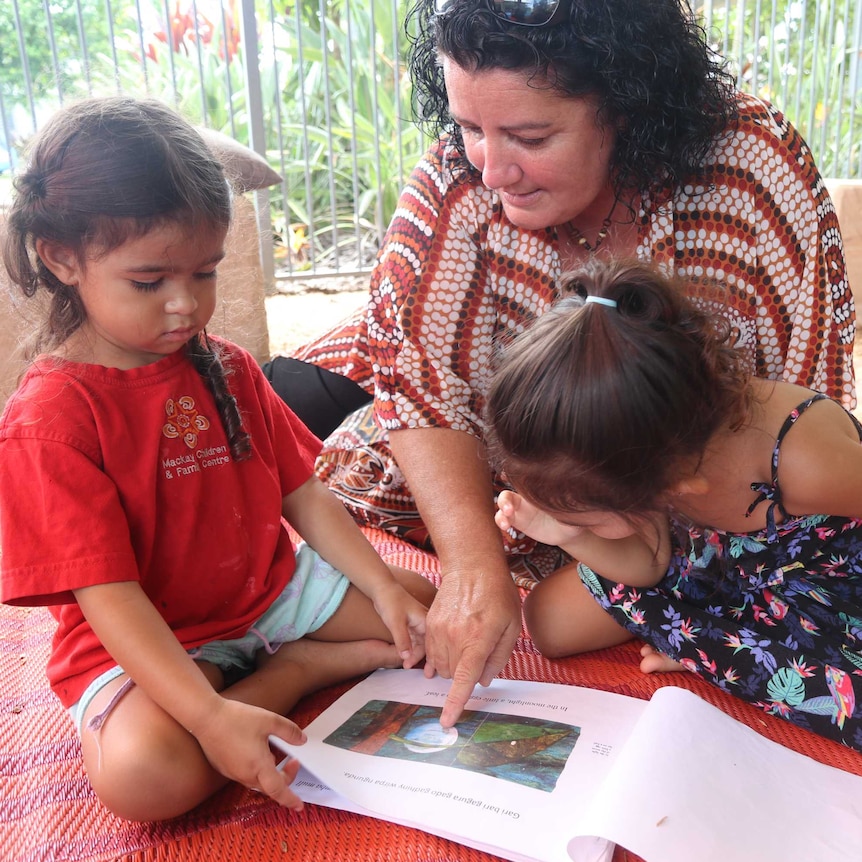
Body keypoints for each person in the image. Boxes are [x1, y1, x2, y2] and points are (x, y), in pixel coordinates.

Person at [265, 0, 856, 728]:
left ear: (627, 107)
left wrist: (726, 610)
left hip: (650, 502)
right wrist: (474, 566)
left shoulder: (753, 168)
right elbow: (417, 387)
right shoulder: (457, 178)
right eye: (469, 127)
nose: (490, 168)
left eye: (530, 135)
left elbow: (807, 409)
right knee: (300, 432)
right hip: (554, 476)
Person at [0, 95, 436, 822]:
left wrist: (382, 590)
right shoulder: (50, 420)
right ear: (61, 256)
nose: (186, 306)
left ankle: (278, 665)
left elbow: (306, 497)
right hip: (150, 642)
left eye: (204, 273)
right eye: (150, 281)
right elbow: (109, 598)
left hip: (268, 596)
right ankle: (295, 673)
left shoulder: (227, 367)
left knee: (420, 608)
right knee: (146, 779)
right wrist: (206, 717)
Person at [485, 258, 862, 750]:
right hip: (720, 563)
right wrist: (573, 535)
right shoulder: (655, 438)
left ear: (671, 484)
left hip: (827, 584)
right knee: (550, 622)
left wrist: (725, 649)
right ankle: (726, 639)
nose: (565, 523)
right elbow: (651, 562)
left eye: (585, 517)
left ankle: (728, 645)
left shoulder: (806, 462)